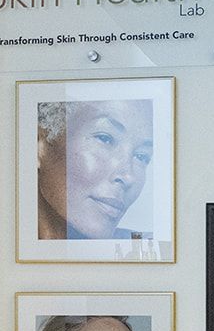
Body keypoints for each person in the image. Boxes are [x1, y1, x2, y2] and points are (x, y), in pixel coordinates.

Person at [36, 98, 154, 241]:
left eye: (141, 156)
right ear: (39, 145)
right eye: (105, 139)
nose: (129, 177)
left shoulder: (142, 248)